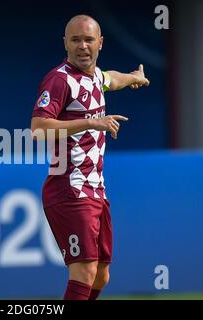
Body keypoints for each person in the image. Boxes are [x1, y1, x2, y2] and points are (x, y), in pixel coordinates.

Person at [30, 14, 150, 300]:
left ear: (100, 43)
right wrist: (91, 122)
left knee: (100, 275)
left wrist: (133, 77)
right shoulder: (59, 81)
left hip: (95, 190)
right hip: (69, 188)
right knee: (84, 271)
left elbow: (112, 79)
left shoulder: (95, 77)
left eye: (88, 39)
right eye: (75, 40)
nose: (82, 46)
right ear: (65, 44)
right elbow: (38, 129)